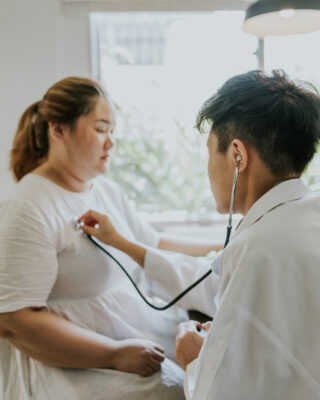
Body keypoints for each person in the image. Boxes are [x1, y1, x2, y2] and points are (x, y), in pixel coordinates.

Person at [78, 70, 320, 400]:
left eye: (209, 152)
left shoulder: (258, 249)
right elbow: (209, 282)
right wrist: (121, 242)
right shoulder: (302, 216)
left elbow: (220, 392)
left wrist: (195, 359)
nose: (208, 168)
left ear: (238, 155)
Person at [0, 77, 222, 400]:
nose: (111, 143)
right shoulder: (28, 207)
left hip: (132, 337)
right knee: (174, 392)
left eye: (112, 131)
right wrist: (114, 353)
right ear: (58, 129)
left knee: (206, 375)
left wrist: (221, 251)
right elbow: (13, 321)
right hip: (70, 363)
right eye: (101, 129)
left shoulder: (105, 191)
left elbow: (153, 243)